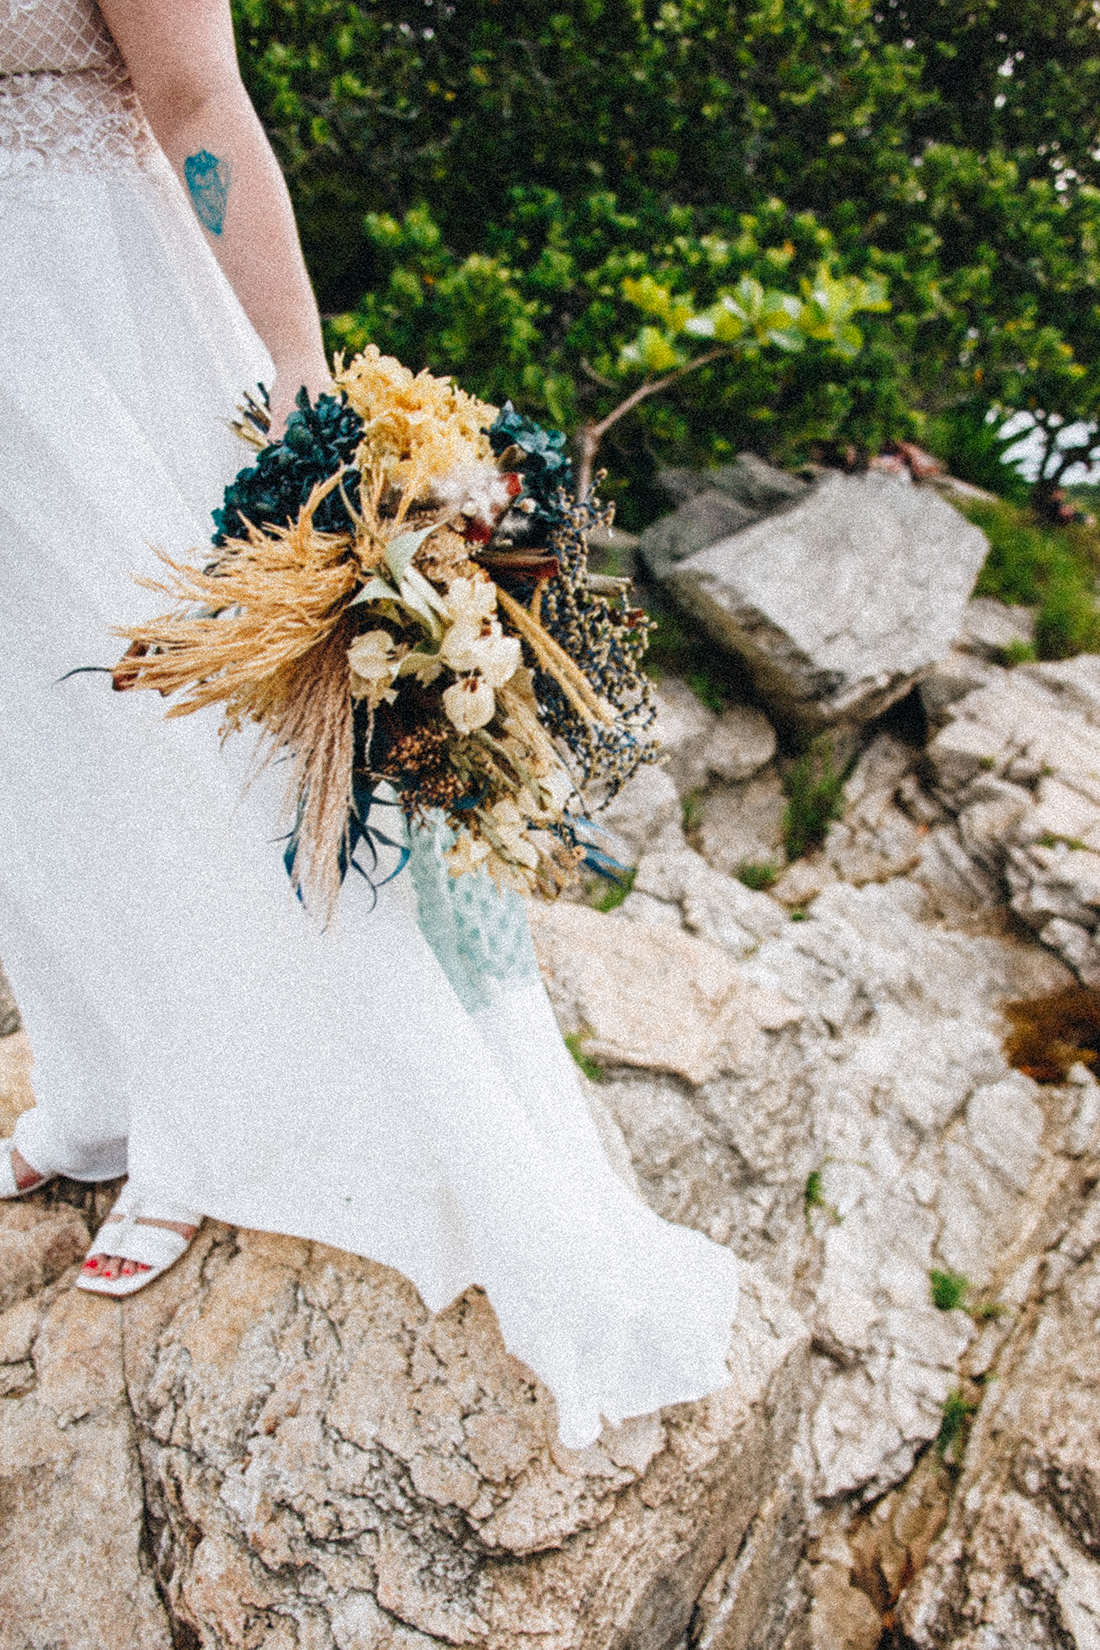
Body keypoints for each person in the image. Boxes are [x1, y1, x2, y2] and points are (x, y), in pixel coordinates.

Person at [0, 0, 740, 1451]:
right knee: (33, 741)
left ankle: (198, 1119)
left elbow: (199, 102)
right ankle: (97, 1078)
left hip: (108, 337)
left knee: (179, 738)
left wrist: (291, 371)